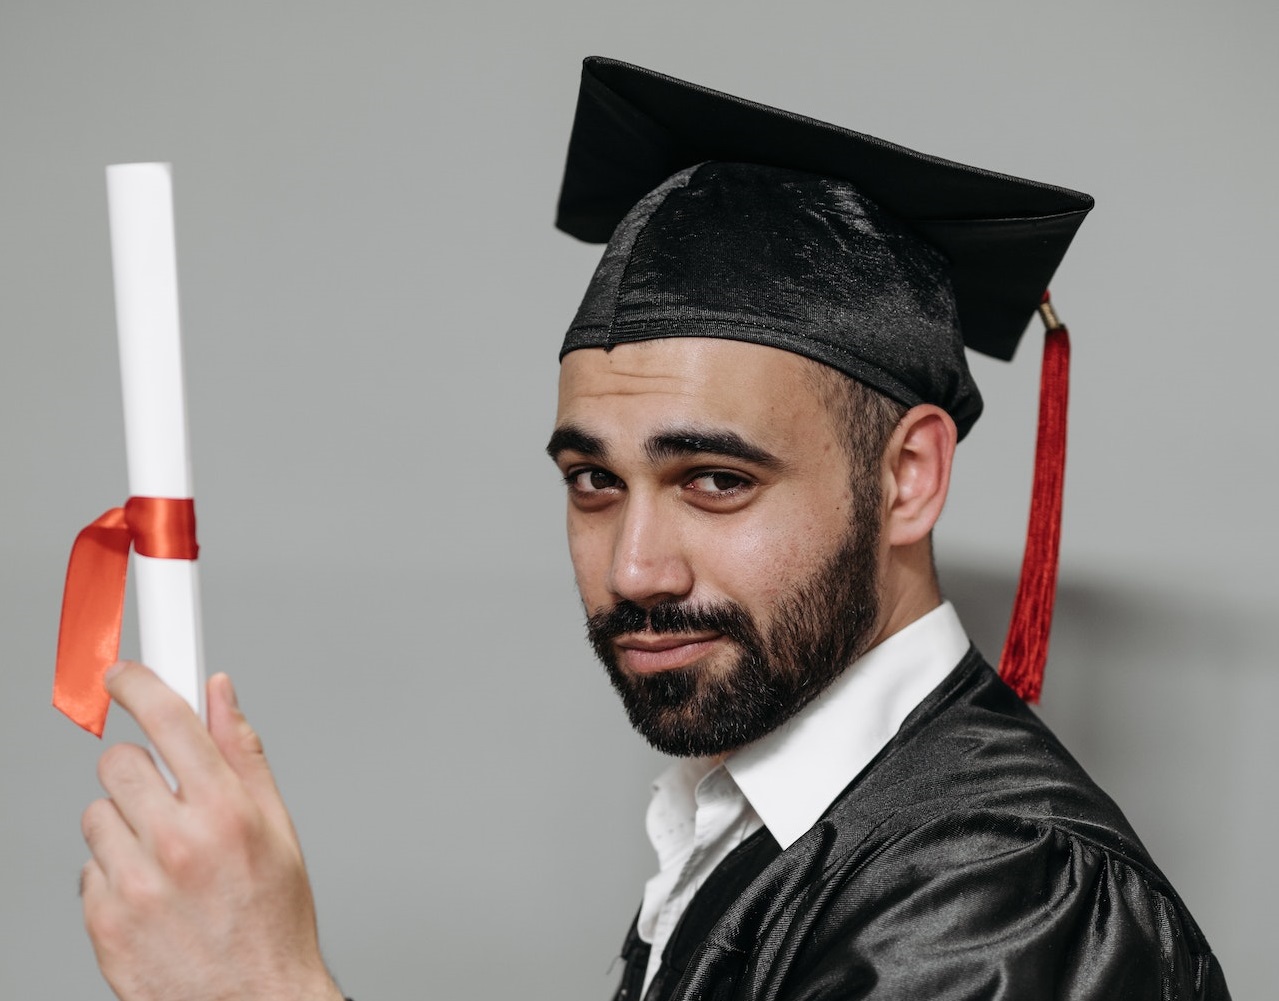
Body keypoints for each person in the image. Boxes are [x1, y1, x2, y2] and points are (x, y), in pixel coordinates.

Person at [76, 57, 1230, 1001]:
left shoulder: (1000, 898)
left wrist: (261, 987)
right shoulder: (747, 823)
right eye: (593, 481)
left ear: (910, 476)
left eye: (716, 479)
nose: (634, 566)